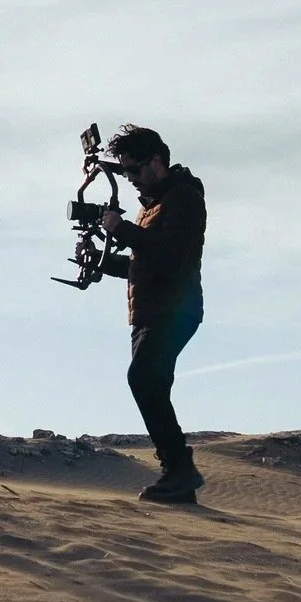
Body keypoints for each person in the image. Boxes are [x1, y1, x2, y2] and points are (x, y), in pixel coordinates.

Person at [99, 124, 208, 503]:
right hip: (150, 311)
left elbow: (171, 255)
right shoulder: (154, 206)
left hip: (173, 310)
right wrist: (103, 264)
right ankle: (179, 481)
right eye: (125, 171)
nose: (129, 178)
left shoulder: (184, 198)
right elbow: (144, 262)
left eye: (134, 169)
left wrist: (122, 228)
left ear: (157, 161)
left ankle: (179, 470)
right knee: (151, 385)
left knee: (143, 380)